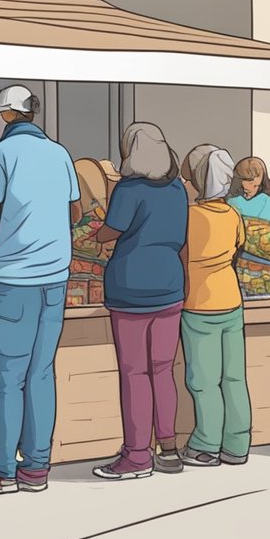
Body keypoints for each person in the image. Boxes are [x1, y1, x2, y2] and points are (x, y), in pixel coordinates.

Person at [0, 86, 80, 496]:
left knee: (9, 378)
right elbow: (75, 211)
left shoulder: (0, 155)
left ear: (5, 115)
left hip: (11, 278)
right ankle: (37, 467)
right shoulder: (60, 153)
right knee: (41, 372)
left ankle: (2, 471)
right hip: (56, 277)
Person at [92, 123, 189, 479]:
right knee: (163, 370)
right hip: (169, 286)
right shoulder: (177, 188)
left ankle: (136, 455)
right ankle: (168, 448)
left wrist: (95, 233)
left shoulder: (129, 190)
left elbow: (110, 231)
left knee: (134, 373)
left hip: (131, 287)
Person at [177, 145, 250, 466]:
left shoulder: (190, 216)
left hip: (198, 304)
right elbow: (239, 248)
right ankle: (237, 443)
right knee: (234, 377)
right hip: (231, 300)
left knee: (204, 380)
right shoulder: (234, 214)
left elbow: (181, 255)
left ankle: (206, 443)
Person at [228, 156, 270, 228]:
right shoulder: (232, 202)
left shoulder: (268, 203)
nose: (251, 187)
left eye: (256, 185)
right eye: (249, 182)